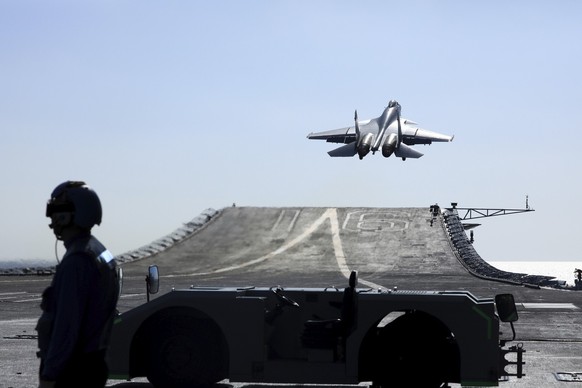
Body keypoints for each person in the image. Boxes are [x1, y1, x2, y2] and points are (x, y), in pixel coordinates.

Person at [36, 181, 120, 388]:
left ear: (72, 214)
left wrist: (49, 376)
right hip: (92, 363)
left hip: (73, 370)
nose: (52, 218)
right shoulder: (98, 251)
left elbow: (66, 326)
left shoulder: (77, 261)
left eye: (56, 210)